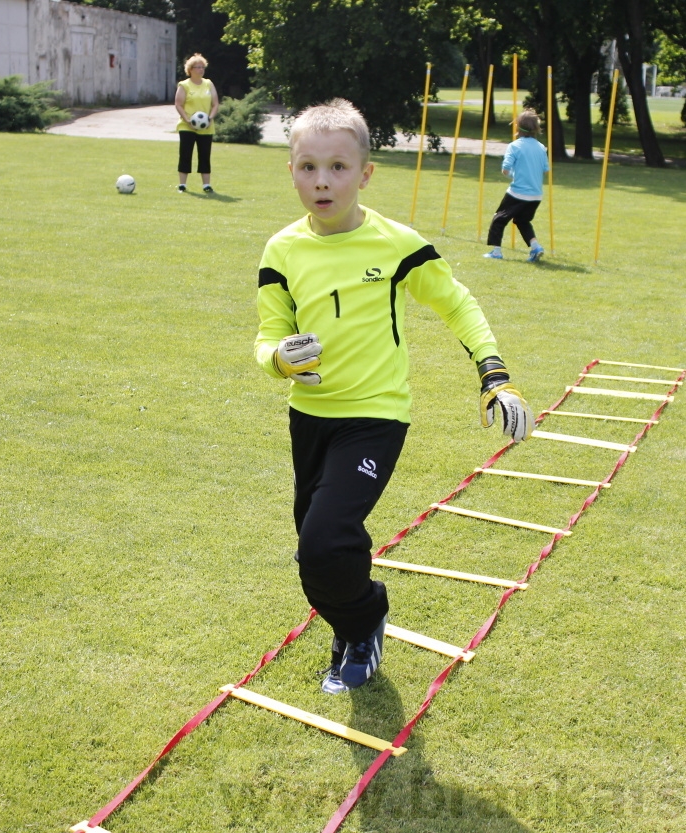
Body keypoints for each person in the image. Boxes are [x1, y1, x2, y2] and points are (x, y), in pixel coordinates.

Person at [254, 99, 534, 694]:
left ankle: (363, 622)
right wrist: (279, 359)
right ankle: (351, 617)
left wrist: (494, 372)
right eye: (308, 167)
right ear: (291, 170)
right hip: (310, 419)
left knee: (325, 541)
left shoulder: (398, 243)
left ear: (365, 172)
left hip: (376, 418)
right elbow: (267, 336)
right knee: (315, 553)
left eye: (337, 167)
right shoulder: (281, 250)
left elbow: (456, 301)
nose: (322, 181)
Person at [483, 109, 550, 263]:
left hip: (518, 192)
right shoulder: (541, 147)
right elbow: (545, 171)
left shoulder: (514, 146)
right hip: (536, 195)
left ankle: (496, 251)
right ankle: (535, 247)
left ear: (518, 127)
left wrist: (514, 175)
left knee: (498, 219)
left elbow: (505, 169)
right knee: (522, 220)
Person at [173, 53, 220, 193]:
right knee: (185, 154)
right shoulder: (184, 85)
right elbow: (178, 104)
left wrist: (210, 118)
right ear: (190, 69)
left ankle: (206, 185)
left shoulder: (208, 84)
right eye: (198, 67)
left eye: (202, 67)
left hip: (206, 127)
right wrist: (187, 120)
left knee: (205, 155)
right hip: (187, 127)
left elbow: (215, 103)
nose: (201, 70)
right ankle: (182, 185)